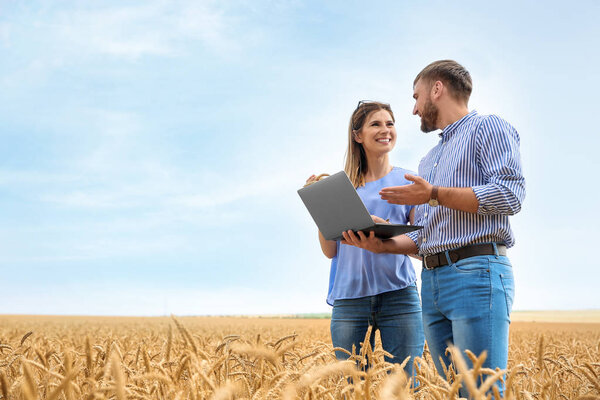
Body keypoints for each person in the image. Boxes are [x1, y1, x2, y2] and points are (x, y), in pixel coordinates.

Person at [341, 60, 525, 396]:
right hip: (433, 281)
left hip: (476, 272)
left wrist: (435, 194)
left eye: (416, 96)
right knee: (450, 390)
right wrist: (384, 243)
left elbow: (510, 195)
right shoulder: (429, 160)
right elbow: (426, 234)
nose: (413, 109)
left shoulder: (488, 128)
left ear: (436, 89)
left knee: (481, 390)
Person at [306, 101, 424, 378]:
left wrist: (386, 229)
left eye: (390, 124)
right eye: (376, 124)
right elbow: (330, 251)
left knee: (406, 385)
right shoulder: (339, 187)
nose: (385, 130)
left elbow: (423, 241)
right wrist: (320, 208)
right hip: (349, 300)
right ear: (357, 135)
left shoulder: (410, 181)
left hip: (400, 295)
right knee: (353, 388)